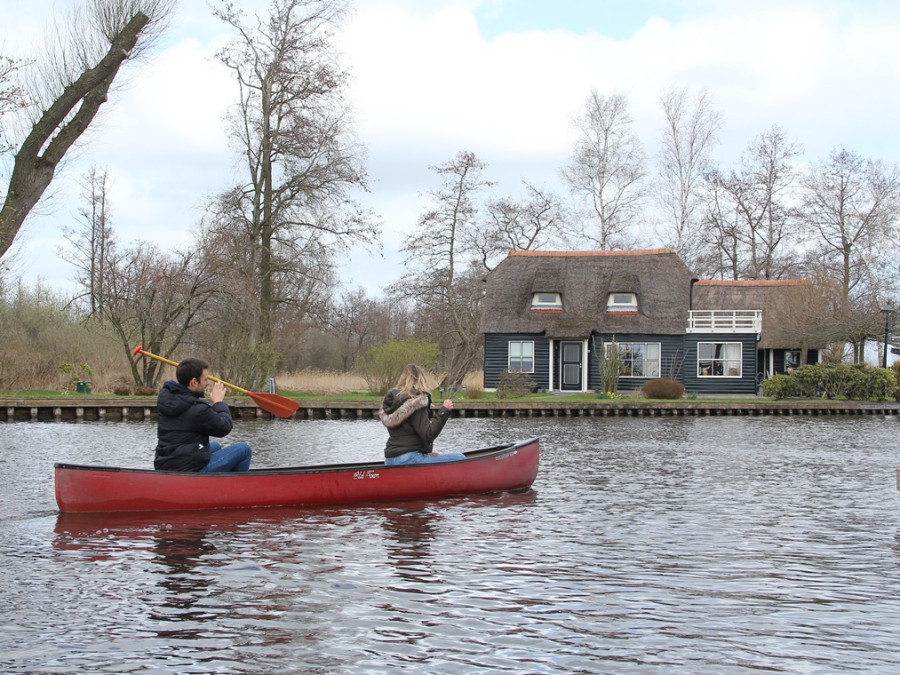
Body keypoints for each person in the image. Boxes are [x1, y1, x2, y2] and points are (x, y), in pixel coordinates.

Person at [154, 357, 252, 472]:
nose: (208, 383)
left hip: (165, 463)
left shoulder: (167, 399)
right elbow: (224, 427)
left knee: (215, 446)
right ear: (194, 382)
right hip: (189, 470)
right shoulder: (197, 409)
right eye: (205, 379)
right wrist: (218, 402)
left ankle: (220, 480)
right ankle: (236, 487)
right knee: (244, 449)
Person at [378, 364, 466, 465]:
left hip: (390, 460)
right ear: (421, 379)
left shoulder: (391, 404)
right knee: (460, 457)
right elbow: (428, 434)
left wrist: (425, 453)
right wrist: (444, 411)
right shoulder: (417, 402)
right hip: (410, 458)